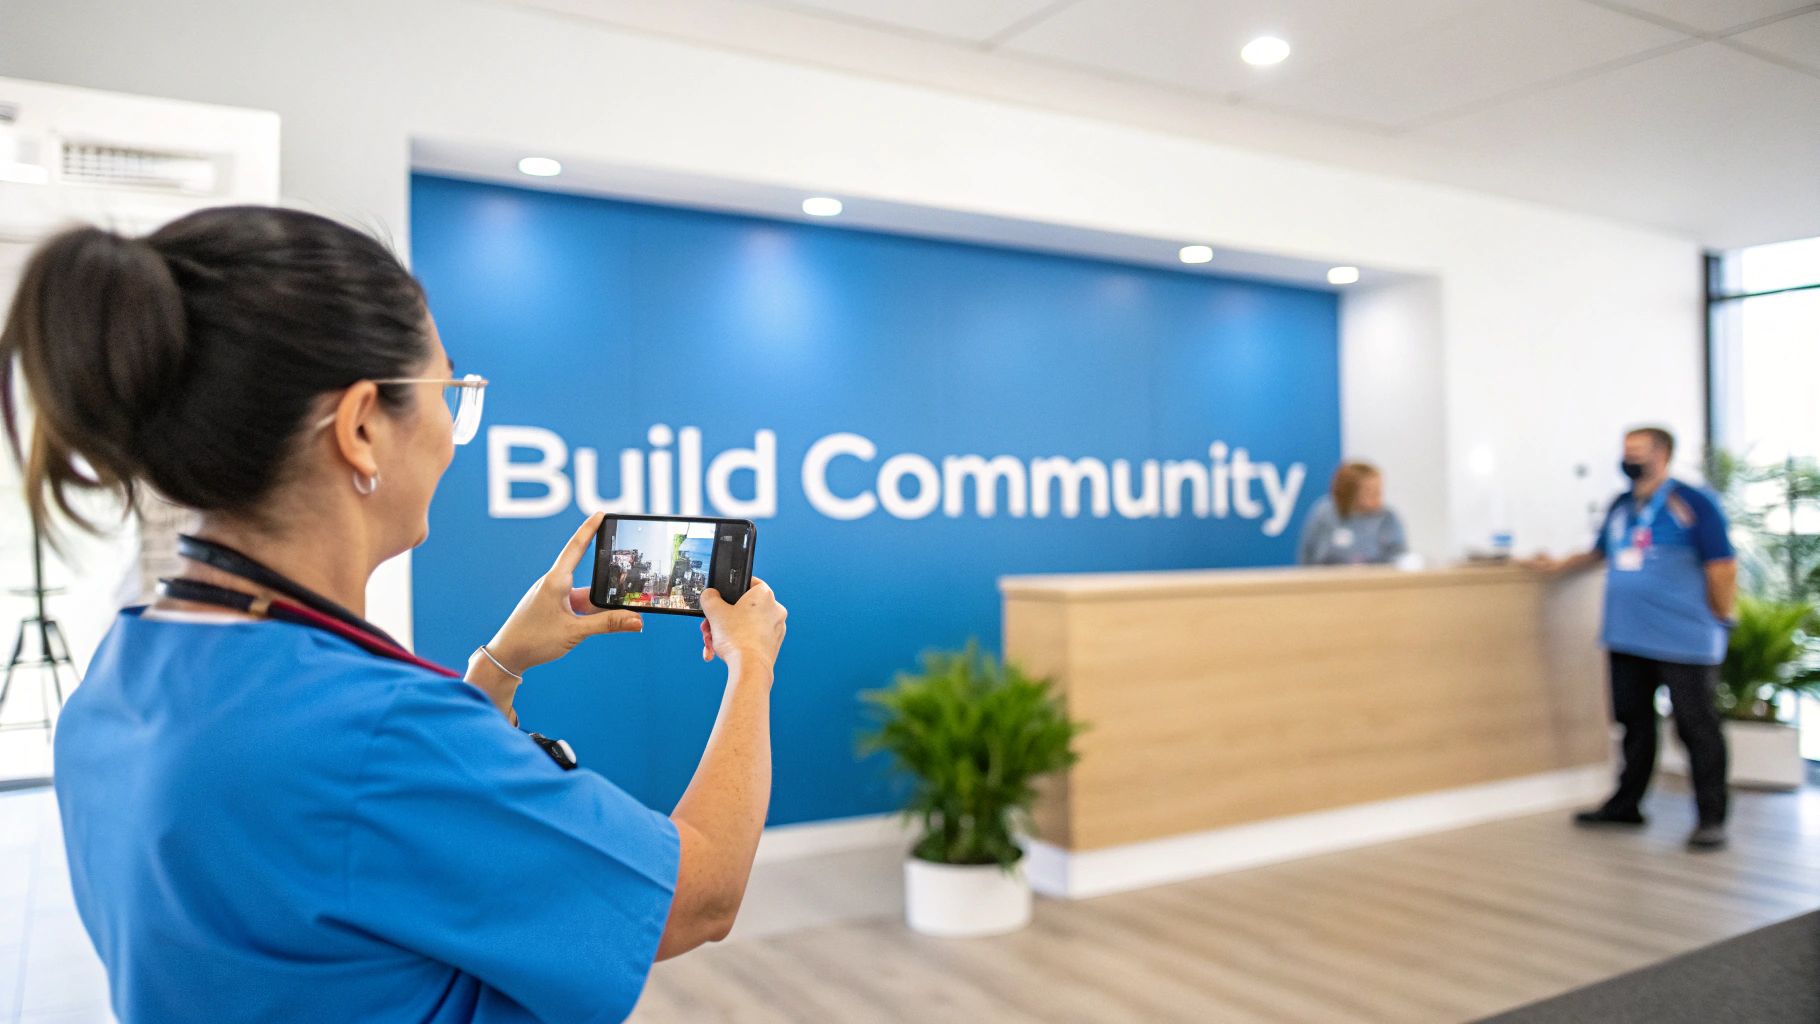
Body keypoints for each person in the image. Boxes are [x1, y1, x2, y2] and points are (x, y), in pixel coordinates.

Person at [0, 207, 788, 1023]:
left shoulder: (124, 672)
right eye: (449, 391)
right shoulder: (374, 735)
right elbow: (699, 896)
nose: (453, 433)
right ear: (363, 425)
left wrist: (497, 668)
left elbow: (342, 851)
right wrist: (751, 659)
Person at [1528, 426, 1736, 851]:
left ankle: (1710, 817)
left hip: (1684, 638)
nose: (1629, 459)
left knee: (1696, 727)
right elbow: (1599, 551)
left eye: (1637, 452)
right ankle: (1627, 805)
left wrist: (1720, 617)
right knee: (1634, 724)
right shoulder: (1622, 505)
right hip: (1627, 636)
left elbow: (1722, 566)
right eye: (1626, 452)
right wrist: (1557, 564)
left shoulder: (1692, 503)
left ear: (1663, 454)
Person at [1297, 461, 1409, 566]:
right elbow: (1308, 556)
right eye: (1371, 492)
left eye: (1379, 492)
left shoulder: (1387, 518)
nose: (1378, 498)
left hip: (1375, 582)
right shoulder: (1324, 513)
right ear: (1350, 492)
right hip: (1330, 582)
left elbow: (1399, 557)